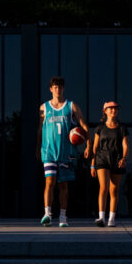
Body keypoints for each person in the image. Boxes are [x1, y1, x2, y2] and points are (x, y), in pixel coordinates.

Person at [38, 76, 89, 227]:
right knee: (49, 182)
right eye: (55, 87)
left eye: (60, 87)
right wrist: (37, 147)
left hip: (66, 152)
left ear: (63, 89)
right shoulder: (44, 107)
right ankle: (47, 214)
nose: (57, 89)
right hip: (48, 151)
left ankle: (63, 218)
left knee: (63, 186)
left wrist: (88, 144)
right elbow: (40, 129)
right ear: (50, 89)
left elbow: (84, 125)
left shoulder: (71, 106)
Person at [90, 101, 129, 227]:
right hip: (102, 159)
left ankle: (111, 218)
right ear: (105, 111)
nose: (113, 110)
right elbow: (95, 147)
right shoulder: (99, 128)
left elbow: (125, 145)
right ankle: (101, 217)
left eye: (115, 108)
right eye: (110, 108)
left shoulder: (122, 128)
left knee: (114, 190)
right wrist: (92, 164)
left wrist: (124, 158)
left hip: (117, 160)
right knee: (104, 187)